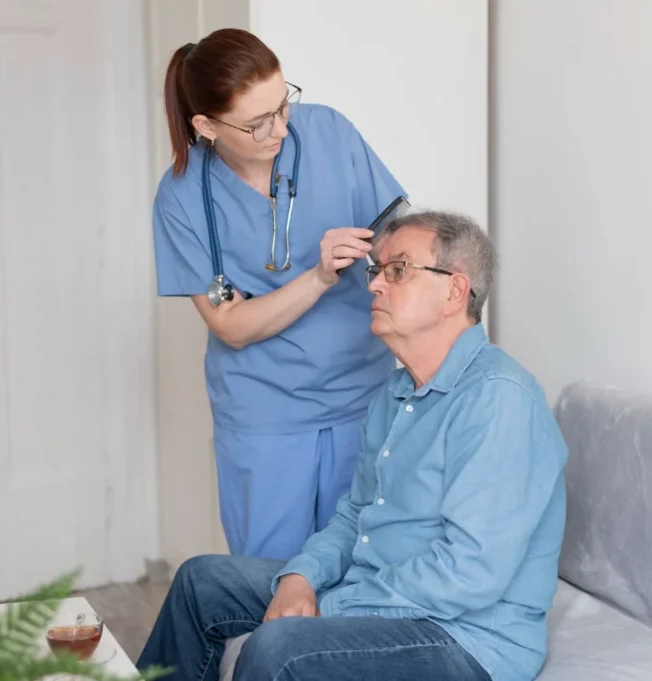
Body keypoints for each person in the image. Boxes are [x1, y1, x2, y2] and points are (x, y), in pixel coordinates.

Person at [137, 211, 569, 681]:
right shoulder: (395, 394)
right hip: (378, 591)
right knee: (201, 582)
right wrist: (301, 577)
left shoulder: (498, 398)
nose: (375, 285)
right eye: (376, 270)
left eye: (398, 270)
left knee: (278, 646)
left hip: (465, 638)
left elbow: (470, 573)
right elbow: (354, 518)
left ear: (454, 291)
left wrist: (330, 605)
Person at [153, 28, 407, 560]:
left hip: (364, 398)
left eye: (283, 104)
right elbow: (229, 324)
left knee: (361, 571)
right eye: (257, 123)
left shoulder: (330, 133)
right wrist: (318, 277)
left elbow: (398, 239)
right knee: (270, 582)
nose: (281, 128)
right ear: (206, 126)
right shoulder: (182, 198)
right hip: (265, 417)